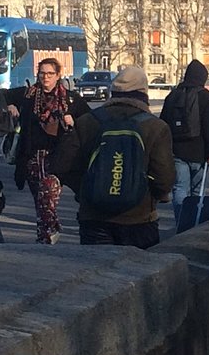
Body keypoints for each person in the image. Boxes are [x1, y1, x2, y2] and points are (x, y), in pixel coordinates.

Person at [54, 65, 175, 248]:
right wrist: (147, 193)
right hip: (139, 219)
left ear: (113, 91)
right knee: (139, 273)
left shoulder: (87, 122)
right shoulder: (155, 127)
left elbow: (61, 165)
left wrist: (87, 190)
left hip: (94, 216)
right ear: (144, 93)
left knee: (96, 271)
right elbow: (164, 178)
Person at [4, 57, 89, 244]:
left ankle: (49, 231)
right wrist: (10, 105)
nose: (45, 78)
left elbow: (89, 122)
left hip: (59, 157)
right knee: (40, 200)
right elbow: (3, 95)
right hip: (33, 156)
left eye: (50, 74)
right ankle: (45, 233)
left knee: (47, 191)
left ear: (58, 75)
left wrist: (73, 122)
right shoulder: (29, 95)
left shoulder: (70, 99)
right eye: (42, 73)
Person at [160, 59, 209, 229]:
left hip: (177, 151)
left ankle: (182, 223)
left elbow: (163, 124)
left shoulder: (172, 96)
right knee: (197, 192)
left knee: (180, 189)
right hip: (199, 152)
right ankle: (194, 223)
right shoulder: (206, 97)